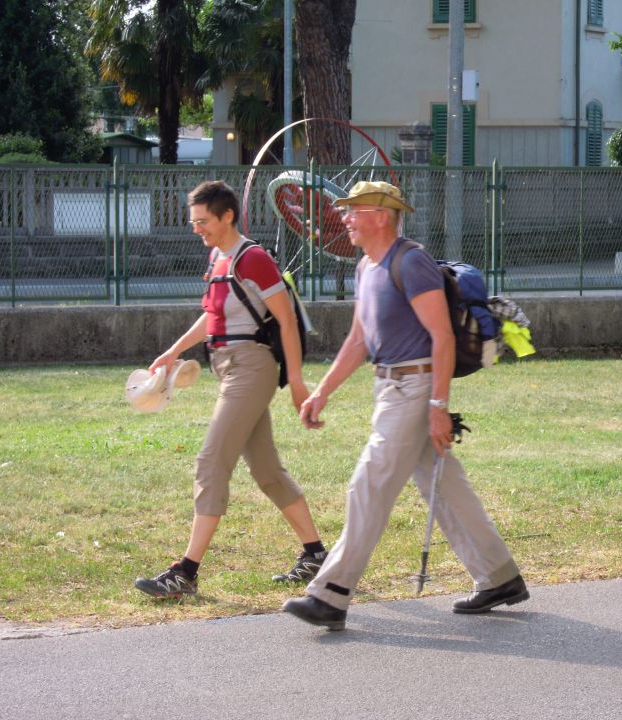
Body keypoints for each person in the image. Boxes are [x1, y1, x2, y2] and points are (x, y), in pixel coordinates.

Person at [282, 181, 528, 630]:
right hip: (390, 388)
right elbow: (358, 340)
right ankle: (499, 577)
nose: (345, 218)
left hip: (415, 389)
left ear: (381, 214)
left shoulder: (410, 261)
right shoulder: (365, 267)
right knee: (446, 485)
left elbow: (442, 337)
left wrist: (438, 403)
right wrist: (322, 392)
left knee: (368, 484)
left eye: (354, 211)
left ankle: (330, 594)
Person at [134, 180, 327, 599]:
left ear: (227, 216)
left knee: (211, 461)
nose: (196, 228)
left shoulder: (252, 257)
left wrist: (296, 381)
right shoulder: (218, 257)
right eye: (193, 222)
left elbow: (288, 320)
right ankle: (315, 554)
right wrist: (171, 352)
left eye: (203, 221)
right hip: (226, 366)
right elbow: (211, 317)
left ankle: (185, 571)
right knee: (266, 470)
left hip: (251, 367)